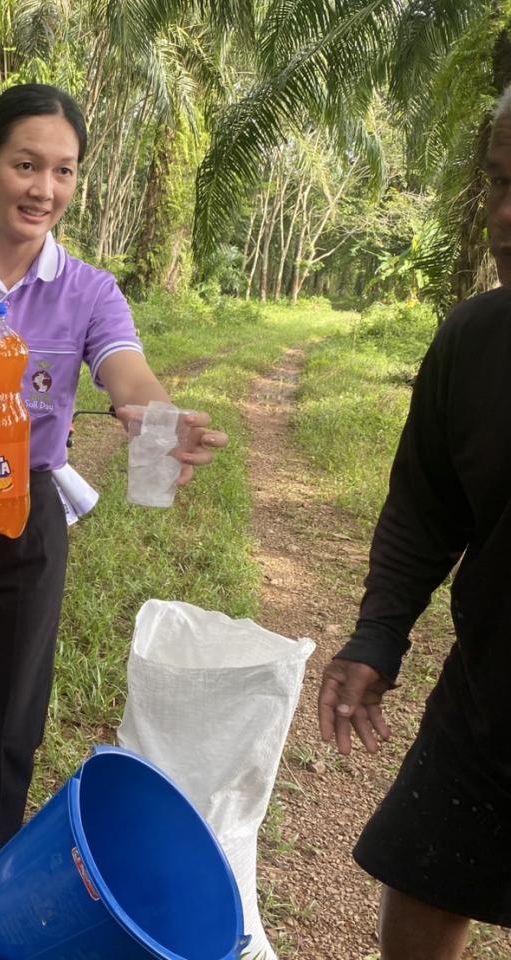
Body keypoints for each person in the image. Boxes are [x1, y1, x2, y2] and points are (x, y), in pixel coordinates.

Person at [0, 83, 228, 950]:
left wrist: (157, 417)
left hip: (22, 512)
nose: (44, 188)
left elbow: (128, 372)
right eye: (26, 165)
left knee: (4, 724)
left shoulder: (89, 290)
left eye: (63, 171)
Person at [317, 85, 511, 959]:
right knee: (426, 878)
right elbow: (427, 508)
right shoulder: (475, 341)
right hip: (489, 697)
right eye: (499, 183)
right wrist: (377, 635)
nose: (505, 216)